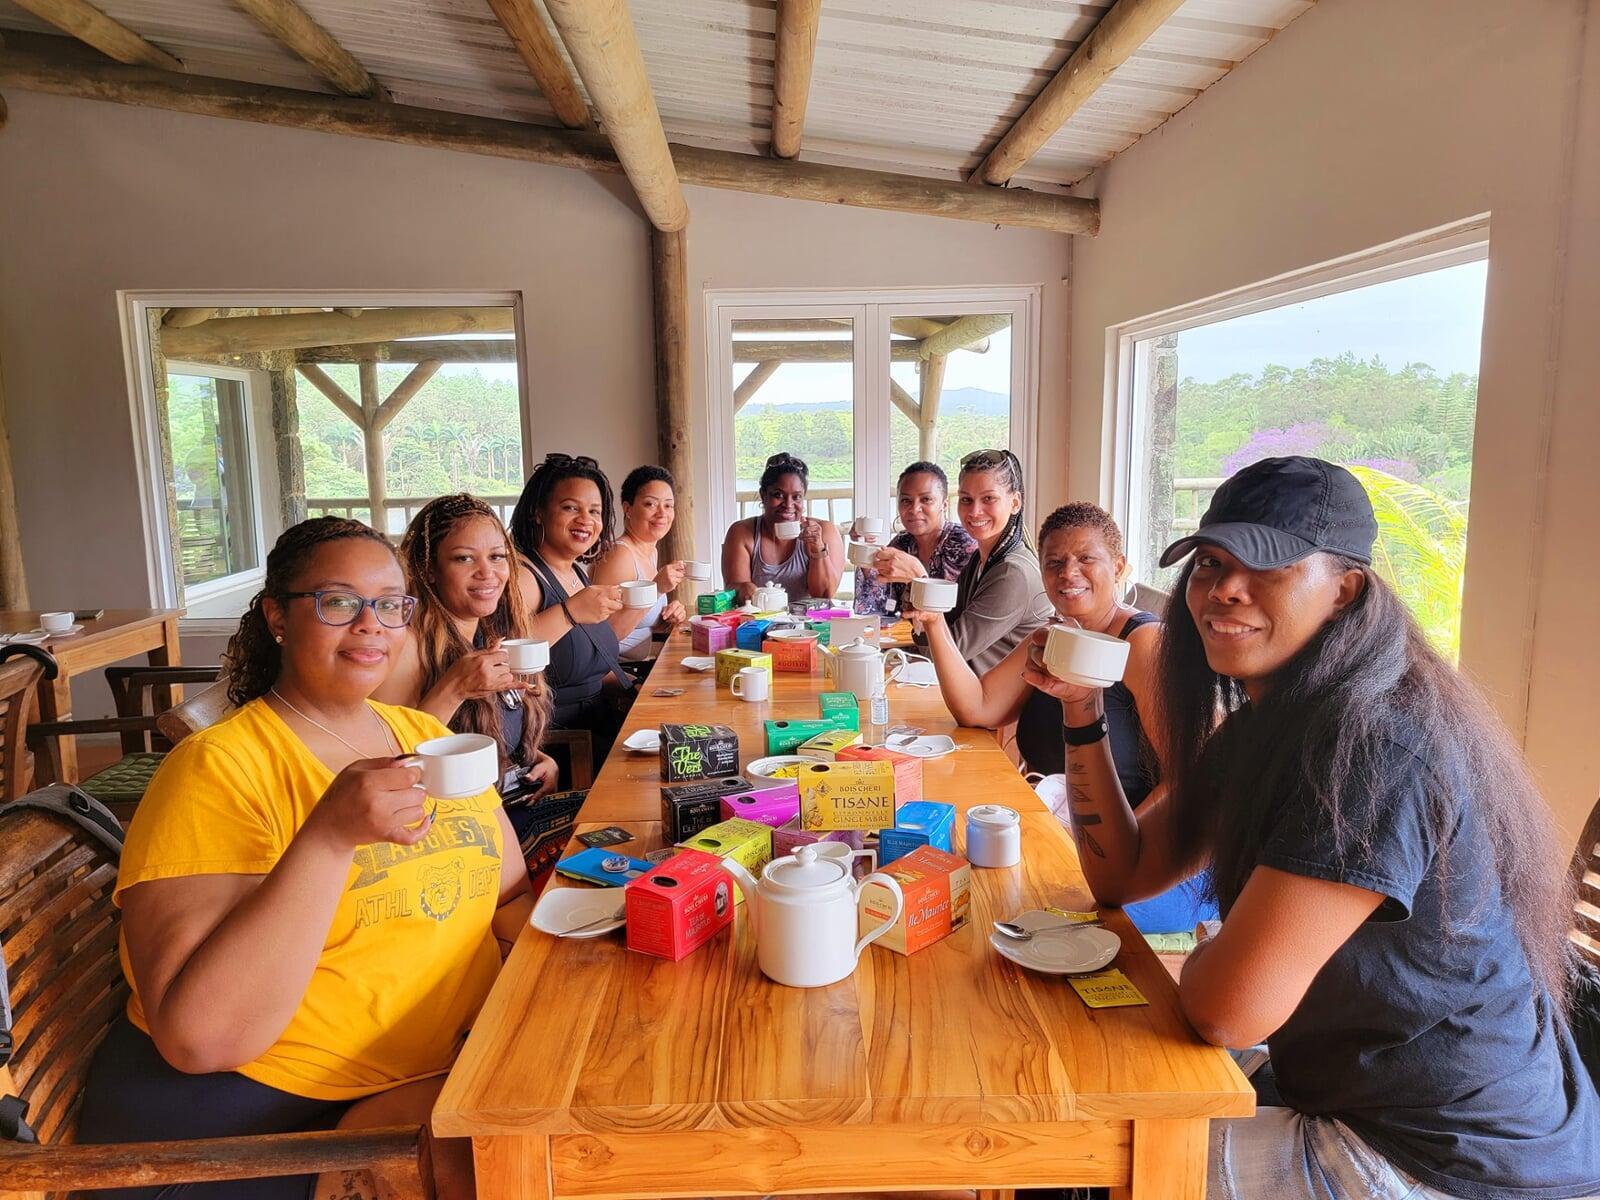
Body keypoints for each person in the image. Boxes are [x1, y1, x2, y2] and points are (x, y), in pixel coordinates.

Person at [1035, 456, 1600, 1199]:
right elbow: (1121, 877)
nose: (1223, 590)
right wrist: (1082, 713)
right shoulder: (1269, 727)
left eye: (1266, 565)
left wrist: (1211, 955)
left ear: (1344, 590)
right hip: (1362, 1099)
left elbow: (1224, 1011)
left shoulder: (1372, 748)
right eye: (1209, 564)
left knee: (1070, 1167)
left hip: (1441, 1159)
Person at [78, 517, 532, 1200]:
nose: (371, 624)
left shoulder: (419, 735)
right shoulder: (217, 769)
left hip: (418, 1084)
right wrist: (326, 839)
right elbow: (199, 1040)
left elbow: (506, 901)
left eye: (389, 603)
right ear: (277, 618)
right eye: (339, 601)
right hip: (251, 1128)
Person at [921, 502, 1213, 934]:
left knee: (1001, 911)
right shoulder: (1056, 634)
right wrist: (932, 622)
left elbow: (1191, 777)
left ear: (1119, 567)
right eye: (1054, 563)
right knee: (960, 889)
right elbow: (979, 707)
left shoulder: (1144, 645)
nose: (1067, 573)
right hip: (1058, 834)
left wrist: (1117, 852)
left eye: (1085, 559)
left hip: (1145, 866)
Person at [376, 493, 559, 810]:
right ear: (429, 569)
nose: (487, 572)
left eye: (497, 557)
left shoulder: (488, 634)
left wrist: (538, 759)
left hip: (513, 803)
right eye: (464, 558)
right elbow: (393, 763)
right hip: (454, 829)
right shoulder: (408, 646)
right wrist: (454, 688)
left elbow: (484, 734)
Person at [509, 453, 631, 767]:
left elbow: (590, 661)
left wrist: (633, 686)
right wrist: (569, 612)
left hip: (598, 721)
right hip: (560, 744)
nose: (585, 520)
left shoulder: (575, 571)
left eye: (594, 511)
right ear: (538, 513)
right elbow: (506, 657)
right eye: (570, 508)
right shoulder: (524, 575)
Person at [890, 448, 1051, 673]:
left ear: (1015, 502)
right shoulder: (979, 559)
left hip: (1010, 706)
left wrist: (920, 579)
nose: (975, 511)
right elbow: (938, 635)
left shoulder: (1013, 574)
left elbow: (948, 652)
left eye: (988, 499)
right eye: (966, 499)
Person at [852, 461, 976, 619]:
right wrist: (866, 553)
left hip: (954, 641)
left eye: (926, 499)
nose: (914, 509)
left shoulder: (964, 545)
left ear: (944, 505)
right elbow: (880, 607)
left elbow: (966, 617)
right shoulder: (901, 543)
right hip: (909, 639)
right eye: (906, 501)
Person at [590, 465, 688, 662]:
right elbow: (604, 636)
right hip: (616, 672)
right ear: (628, 508)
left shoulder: (650, 551)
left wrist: (668, 617)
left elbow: (639, 622)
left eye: (668, 505)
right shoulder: (619, 555)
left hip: (644, 662)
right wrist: (657, 588)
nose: (662, 513)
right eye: (650, 504)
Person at [721, 452, 844, 605]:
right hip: (759, 623)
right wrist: (744, 589)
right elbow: (733, 589)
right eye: (778, 495)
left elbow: (824, 595)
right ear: (763, 495)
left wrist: (817, 548)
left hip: (810, 625)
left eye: (796, 497)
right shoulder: (742, 533)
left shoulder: (824, 532)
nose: (788, 504)